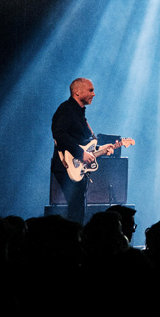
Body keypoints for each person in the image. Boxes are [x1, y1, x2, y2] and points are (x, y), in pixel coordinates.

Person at [51, 77, 111, 223]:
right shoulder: (66, 109)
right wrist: (80, 153)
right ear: (77, 92)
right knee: (75, 212)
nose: (94, 94)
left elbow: (83, 143)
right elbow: (60, 135)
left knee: (78, 210)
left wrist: (101, 149)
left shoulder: (79, 113)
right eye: (91, 90)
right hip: (67, 167)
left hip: (77, 167)